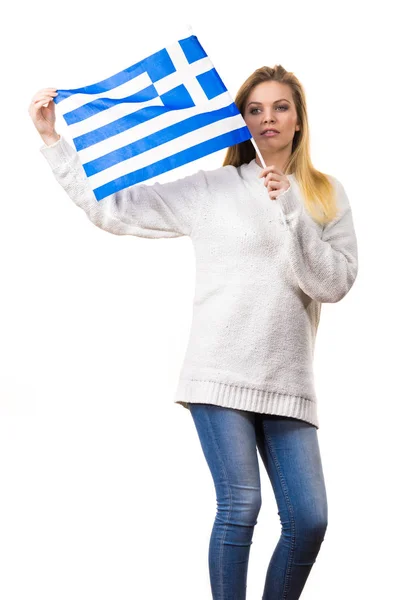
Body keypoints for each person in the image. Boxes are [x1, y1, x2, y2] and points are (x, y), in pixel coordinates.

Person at [28, 64, 358, 599]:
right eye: (254, 109)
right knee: (241, 505)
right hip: (219, 371)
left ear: (299, 119)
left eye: (280, 107)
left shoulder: (325, 194)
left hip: (288, 379)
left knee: (311, 520)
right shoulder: (214, 188)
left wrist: (292, 210)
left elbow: (334, 283)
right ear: (241, 121)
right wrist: (54, 143)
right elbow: (113, 210)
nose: (267, 118)